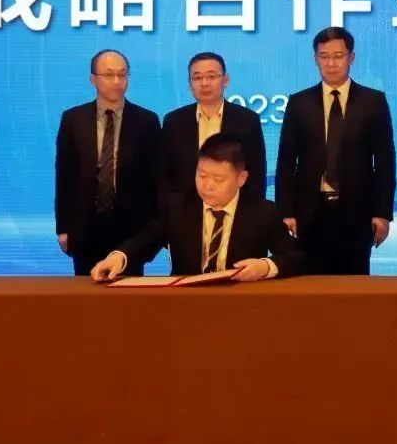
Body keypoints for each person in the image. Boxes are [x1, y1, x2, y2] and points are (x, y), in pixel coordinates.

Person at [91, 133, 304, 281]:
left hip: (241, 303)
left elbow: (295, 258)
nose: (208, 186)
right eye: (202, 175)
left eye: (219, 179)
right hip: (186, 303)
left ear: (241, 178)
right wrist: (118, 258)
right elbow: (144, 242)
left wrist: (265, 267)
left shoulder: (263, 212)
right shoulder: (178, 206)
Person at [275, 27, 395, 275]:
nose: (331, 63)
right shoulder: (299, 102)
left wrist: (383, 213)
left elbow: (385, 163)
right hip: (309, 211)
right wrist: (285, 212)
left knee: (354, 285)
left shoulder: (373, 101)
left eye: (338, 56)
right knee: (308, 282)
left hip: (358, 212)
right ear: (315, 59)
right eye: (324, 56)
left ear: (351, 57)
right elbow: (286, 161)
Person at [55, 49, 160, 276]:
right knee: (87, 289)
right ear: (93, 79)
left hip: (130, 229)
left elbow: (154, 179)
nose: (117, 81)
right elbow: (65, 175)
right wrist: (63, 227)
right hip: (85, 225)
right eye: (109, 75)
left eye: (122, 75)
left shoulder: (147, 120)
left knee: (128, 291)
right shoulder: (73, 119)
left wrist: (151, 230)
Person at [160, 52, 266, 205]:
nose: (204, 83)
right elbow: (165, 174)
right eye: (197, 78)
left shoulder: (247, 120)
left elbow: (256, 174)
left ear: (225, 80)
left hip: (235, 210)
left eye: (211, 76)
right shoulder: (174, 121)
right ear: (190, 84)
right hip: (184, 210)